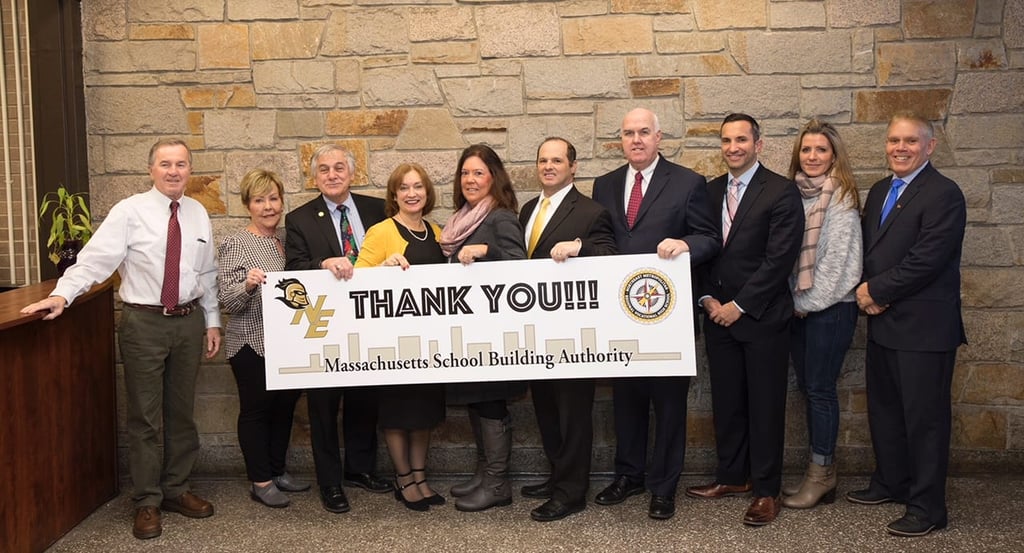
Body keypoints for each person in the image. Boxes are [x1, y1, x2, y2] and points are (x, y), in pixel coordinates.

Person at [21, 139, 221, 540]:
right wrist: (63, 293)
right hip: (143, 323)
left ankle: (176, 489)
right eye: (165, 164)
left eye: (181, 164)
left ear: (189, 170)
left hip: (187, 323)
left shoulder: (198, 213)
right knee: (144, 417)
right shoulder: (129, 212)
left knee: (181, 413)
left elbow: (207, 273)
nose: (173, 171)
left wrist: (212, 321)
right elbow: (95, 259)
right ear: (151, 170)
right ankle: (147, 500)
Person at [591, 108, 720, 521]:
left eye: (644, 132)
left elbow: (709, 238)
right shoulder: (605, 185)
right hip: (619, 316)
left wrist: (685, 244)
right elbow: (604, 240)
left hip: (668, 317)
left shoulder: (687, 182)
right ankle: (630, 475)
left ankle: (663, 486)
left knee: (668, 405)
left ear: (659, 136)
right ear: (621, 140)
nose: (636, 140)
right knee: (626, 402)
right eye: (628, 133)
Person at [848, 112, 966, 538]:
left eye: (910, 142)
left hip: (925, 329)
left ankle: (928, 507)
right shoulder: (881, 189)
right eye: (894, 140)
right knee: (886, 412)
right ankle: (891, 482)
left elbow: (927, 260)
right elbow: (869, 249)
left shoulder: (944, 194)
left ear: (929, 147)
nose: (900, 148)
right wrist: (868, 293)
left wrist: (874, 291)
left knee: (925, 420)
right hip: (884, 324)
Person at [686, 113, 804, 527]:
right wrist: (707, 299)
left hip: (763, 318)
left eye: (741, 139)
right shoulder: (709, 191)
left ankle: (767, 490)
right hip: (716, 317)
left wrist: (739, 305)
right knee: (728, 403)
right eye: (726, 140)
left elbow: (779, 259)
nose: (733, 147)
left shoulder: (781, 191)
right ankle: (732, 478)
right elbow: (699, 247)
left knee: (765, 406)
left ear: (759, 143)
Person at [284, 143, 392, 514]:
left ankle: (359, 470)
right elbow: (294, 266)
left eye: (339, 168)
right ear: (315, 177)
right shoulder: (299, 219)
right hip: (324, 328)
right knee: (323, 407)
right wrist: (322, 263)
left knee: (365, 402)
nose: (332, 175)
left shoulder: (378, 209)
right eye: (324, 170)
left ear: (352, 172)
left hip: (369, 325)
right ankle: (330, 482)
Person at [517, 137, 617, 522]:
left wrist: (580, 247)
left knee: (573, 413)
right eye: (543, 160)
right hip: (534, 332)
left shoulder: (592, 213)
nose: (548, 166)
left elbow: (610, 255)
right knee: (545, 408)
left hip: (573, 334)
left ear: (572, 167)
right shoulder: (527, 209)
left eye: (556, 160)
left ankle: (571, 492)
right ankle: (558, 474)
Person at [354, 163, 447, 512]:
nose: (412, 193)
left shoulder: (437, 231)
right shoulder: (381, 232)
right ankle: (403, 479)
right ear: (394, 195)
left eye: (418, 187)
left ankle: (420, 477)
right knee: (397, 413)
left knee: (424, 412)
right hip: (392, 343)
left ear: (427, 192)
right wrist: (383, 269)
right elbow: (356, 281)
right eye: (404, 188)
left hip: (429, 342)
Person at [440, 144, 527, 512]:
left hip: (495, 336)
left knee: (491, 404)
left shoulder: (500, 217)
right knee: (477, 403)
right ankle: (483, 473)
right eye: (465, 173)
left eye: (478, 172)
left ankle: (497, 484)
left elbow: (520, 268)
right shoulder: (462, 218)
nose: (470, 179)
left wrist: (485, 253)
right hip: (470, 334)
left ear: (494, 176)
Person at [781, 120, 863, 509]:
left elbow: (842, 267)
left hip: (830, 310)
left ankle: (822, 475)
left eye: (821, 151)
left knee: (820, 390)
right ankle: (818, 472)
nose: (812, 157)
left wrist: (801, 305)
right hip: (799, 309)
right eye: (807, 150)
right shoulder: (793, 195)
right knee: (809, 389)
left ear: (834, 156)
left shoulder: (841, 197)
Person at [217, 169, 309, 509]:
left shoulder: (289, 238)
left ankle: (277, 469)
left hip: (288, 343)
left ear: (282, 201)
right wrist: (248, 284)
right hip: (250, 342)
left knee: (284, 409)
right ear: (247, 205)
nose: (268, 206)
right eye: (259, 200)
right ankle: (260, 480)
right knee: (256, 411)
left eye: (273, 198)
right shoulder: (236, 242)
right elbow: (226, 300)